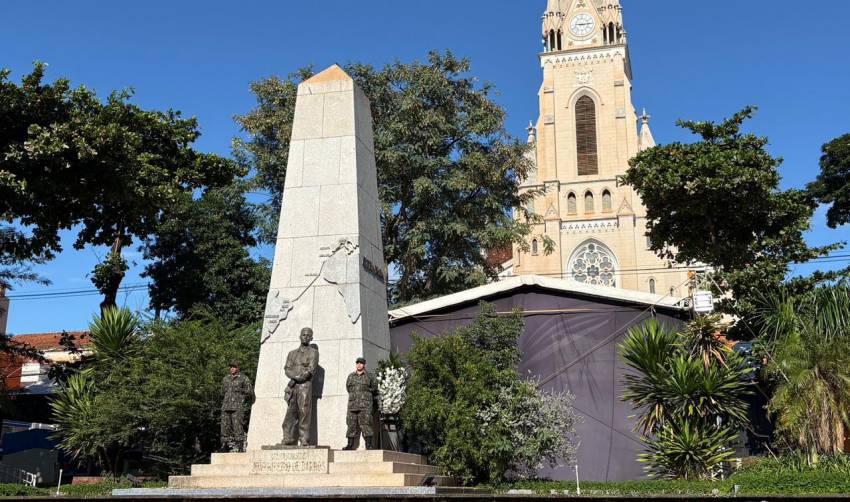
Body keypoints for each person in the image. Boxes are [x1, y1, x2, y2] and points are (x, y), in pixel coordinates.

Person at [282, 327, 319, 446]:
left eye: (308, 335)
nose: (306, 337)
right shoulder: (292, 354)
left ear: (311, 338)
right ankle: (288, 437)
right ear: (300, 336)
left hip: (305, 386)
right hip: (293, 386)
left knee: (304, 411)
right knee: (290, 412)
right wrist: (295, 377)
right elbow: (287, 369)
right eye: (304, 335)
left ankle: (304, 438)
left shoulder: (314, 353)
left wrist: (297, 378)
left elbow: (310, 370)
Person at [343, 356, 379, 450]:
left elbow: (375, 388)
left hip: (365, 406)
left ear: (364, 365)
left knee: (366, 424)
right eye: (357, 363)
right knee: (351, 424)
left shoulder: (370, 376)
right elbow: (348, 388)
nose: (359, 365)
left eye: (361, 363)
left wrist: (365, 395)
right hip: (352, 405)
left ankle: (369, 445)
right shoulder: (351, 376)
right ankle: (350, 445)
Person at [220, 360, 253, 452]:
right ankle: (224, 444)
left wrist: (240, 393)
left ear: (238, 368)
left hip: (237, 407)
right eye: (231, 367)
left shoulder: (243, 378)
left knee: (238, 426)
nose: (232, 369)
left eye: (234, 367)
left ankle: (240, 445)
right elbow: (222, 392)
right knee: (224, 426)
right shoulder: (225, 378)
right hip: (226, 406)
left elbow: (249, 392)